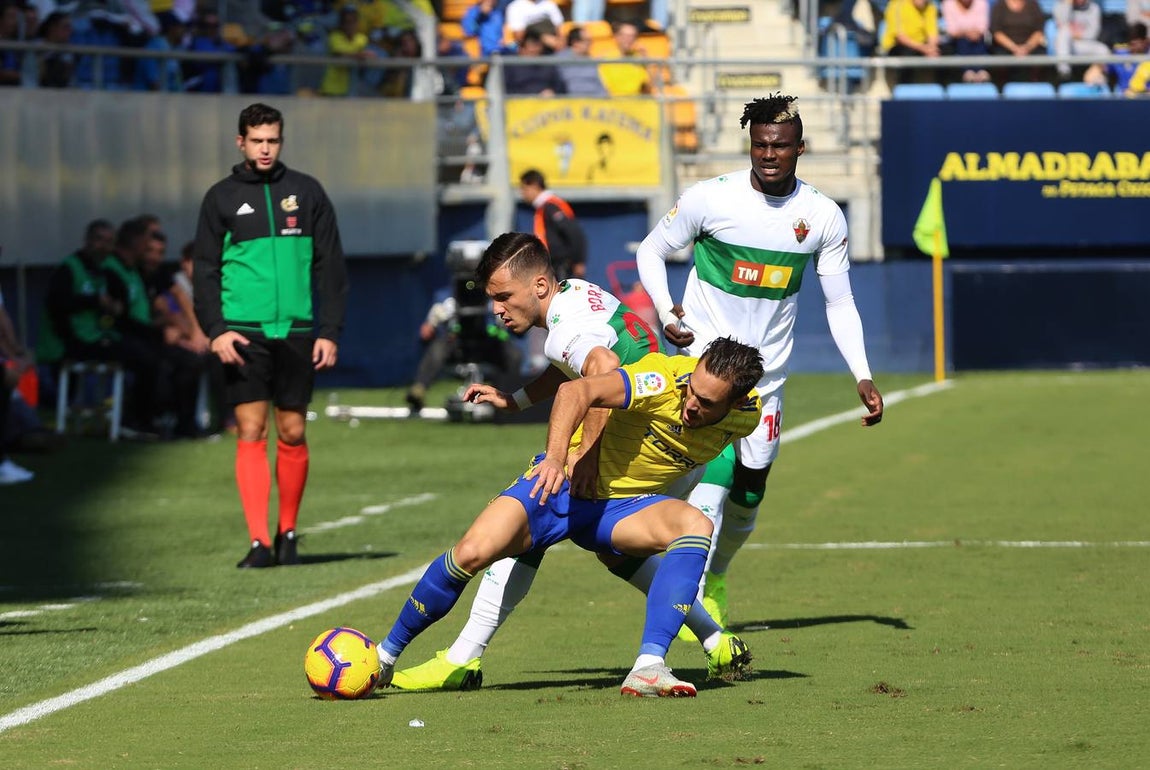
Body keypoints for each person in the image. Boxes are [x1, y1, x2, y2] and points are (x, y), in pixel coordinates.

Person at [390, 232, 751, 693]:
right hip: (668, 444)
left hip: (635, 443)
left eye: (503, 296)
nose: (497, 309)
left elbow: (596, 370)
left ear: (539, 287)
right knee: (608, 547)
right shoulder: (579, 294)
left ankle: (462, 658)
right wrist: (517, 399)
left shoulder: (561, 329)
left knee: (528, 519)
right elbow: (578, 363)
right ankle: (714, 637)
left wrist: (577, 457)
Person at [635, 93, 885, 636]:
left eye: (780, 146)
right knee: (710, 484)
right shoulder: (709, 199)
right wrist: (666, 311)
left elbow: (839, 302)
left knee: (749, 493)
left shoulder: (820, 216)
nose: (769, 155)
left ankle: (716, 576)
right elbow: (651, 251)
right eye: (760, 145)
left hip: (764, 384)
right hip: (698, 371)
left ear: (800, 149)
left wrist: (861, 373)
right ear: (750, 145)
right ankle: (690, 608)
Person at [193, 102, 348, 569]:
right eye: (257, 140)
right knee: (250, 428)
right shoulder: (219, 198)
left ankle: (288, 534)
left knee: (293, 430)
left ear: (281, 140)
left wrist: (329, 330)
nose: (265, 148)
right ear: (240, 142)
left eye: (273, 140)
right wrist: (215, 331)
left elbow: (332, 267)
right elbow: (204, 271)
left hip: (299, 332)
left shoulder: (306, 191)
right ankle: (259, 541)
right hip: (243, 333)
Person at [403, 284, 523, 413]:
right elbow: (425, 333)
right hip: (458, 345)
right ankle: (418, 389)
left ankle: (510, 395)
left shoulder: (495, 296)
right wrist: (433, 322)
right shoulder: (445, 296)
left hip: (488, 343)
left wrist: (505, 319)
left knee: (513, 354)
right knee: (439, 347)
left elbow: (519, 332)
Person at [518, 169, 586, 280]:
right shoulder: (542, 207)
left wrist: (578, 261)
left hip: (562, 265)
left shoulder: (551, 206)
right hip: (553, 264)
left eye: (524, 189)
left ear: (534, 186)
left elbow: (573, 232)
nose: (523, 194)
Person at [881, 0, 941, 85]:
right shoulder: (897, 5)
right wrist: (924, 48)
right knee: (907, 54)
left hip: (921, 47)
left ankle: (947, 92)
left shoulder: (930, 7)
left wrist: (932, 48)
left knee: (947, 51)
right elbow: (900, 37)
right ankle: (904, 90)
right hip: (898, 46)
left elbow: (932, 33)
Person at [988, 0, 1048, 84]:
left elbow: (1039, 31)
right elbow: (996, 32)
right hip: (1005, 47)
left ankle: (1035, 84)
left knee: (1040, 56)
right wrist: (1014, 48)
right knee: (1000, 58)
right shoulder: (999, 6)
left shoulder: (1033, 5)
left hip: (1030, 47)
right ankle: (1002, 88)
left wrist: (1026, 47)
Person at [1053, 0, 1112, 79]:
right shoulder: (1060, 6)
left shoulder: (1094, 8)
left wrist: (1077, 34)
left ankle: (1095, 78)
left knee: (1103, 49)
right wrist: (1068, 5)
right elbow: (1062, 25)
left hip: (1085, 44)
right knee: (1063, 33)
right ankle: (1064, 73)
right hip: (1066, 45)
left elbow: (1092, 34)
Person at [503, 29, 565, 95]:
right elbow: (505, 89)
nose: (535, 51)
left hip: (547, 103)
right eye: (531, 50)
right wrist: (529, 94)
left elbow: (560, 87)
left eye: (537, 48)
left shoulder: (548, 65)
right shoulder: (511, 65)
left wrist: (553, 92)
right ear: (522, 49)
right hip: (520, 103)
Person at [941, 0, 991, 82]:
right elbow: (952, 31)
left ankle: (979, 71)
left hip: (978, 40)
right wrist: (966, 33)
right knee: (963, 41)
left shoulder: (981, 3)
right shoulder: (948, 4)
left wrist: (970, 32)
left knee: (978, 41)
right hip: (957, 42)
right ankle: (968, 71)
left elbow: (982, 27)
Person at [555, 24, 608, 96]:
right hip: (571, 102)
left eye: (590, 40)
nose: (590, 43)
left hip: (597, 102)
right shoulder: (560, 59)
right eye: (587, 40)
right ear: (575, 42)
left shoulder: (592, 60)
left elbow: (600, 85)